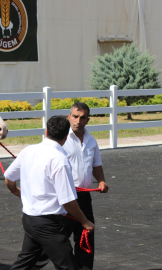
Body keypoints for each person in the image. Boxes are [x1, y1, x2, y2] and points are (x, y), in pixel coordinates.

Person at [4, 115, 95, 270]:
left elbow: (9, 178)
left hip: (29, 219)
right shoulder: (59, 159)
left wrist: (15, 191)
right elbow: (67, 201)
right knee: (68, 266)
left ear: (46, 132)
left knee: (24, 263)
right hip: (48, 224)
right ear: (66, 136)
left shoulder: (28, 150)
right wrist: (84, 221)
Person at [34, 102, 109, 270]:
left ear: (87, 120)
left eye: (82, 118)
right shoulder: (60, 140)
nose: (78, 121)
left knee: (86, 235)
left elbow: (96, 164)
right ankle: (34, 264)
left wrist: (101, 180)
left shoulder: (91, 140)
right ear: (69, 117)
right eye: (75, 116)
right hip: (64, 197)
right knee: (58, 239)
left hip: (84, 197)